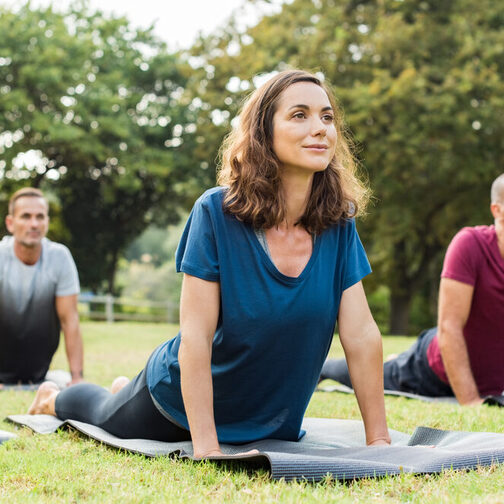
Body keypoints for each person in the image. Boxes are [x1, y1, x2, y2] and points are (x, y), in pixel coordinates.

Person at [28, 69, 391, 456]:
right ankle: (53, 397)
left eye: (327, 116)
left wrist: (380, 441)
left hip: (269, 418)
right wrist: (206, 447)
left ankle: (122, 386)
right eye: (299, 115)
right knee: (101, 412)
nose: (320, 128)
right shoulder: (216, 212)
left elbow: (361, 335)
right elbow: (196, 337)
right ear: (263, 133)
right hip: (176, 408)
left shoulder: (337, 223)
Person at [320, 173, 504, 406]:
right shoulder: (471, 245)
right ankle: (325, 368)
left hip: (493, 383)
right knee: (378, 375)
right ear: (497, 210)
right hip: (432, 371)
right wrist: (470, 402)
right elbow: (450, 327)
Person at [0, 187, 83, 387]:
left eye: (40, 217)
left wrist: (77, 378)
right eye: (26, 216)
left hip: (39, 374)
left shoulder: (60, 257)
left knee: (65, 385)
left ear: (47, 222)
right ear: (10, 223)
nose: (34, 224)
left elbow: (69, 320)